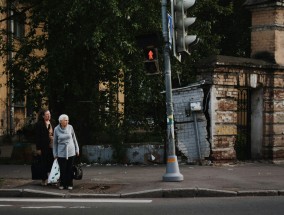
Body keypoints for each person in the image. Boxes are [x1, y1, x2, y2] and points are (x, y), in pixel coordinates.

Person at [53, 114, 79, 190]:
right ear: (61, 121)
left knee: (70, 169)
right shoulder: (56, 129)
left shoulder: (70, 127)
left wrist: (77, 149)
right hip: (61, 152)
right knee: (62, 169)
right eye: (65, 120)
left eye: (67, 120)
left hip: (71, 151)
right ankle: (62, 184)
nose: (67, 122)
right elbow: (55, 143)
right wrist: (55, 153)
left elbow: (74, 138)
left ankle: (70, 184)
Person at [35, 109, 55, 186]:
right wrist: (38, 148)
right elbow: (37, 137)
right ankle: (44, 179)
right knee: (43, 163)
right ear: (43, 116)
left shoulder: (52, 122)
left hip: (52, 146)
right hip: (43, 146)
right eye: (47, 114)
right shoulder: (39, 124)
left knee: (51, 162)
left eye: (49, 114)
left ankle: (51, 178)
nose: (48, 115)